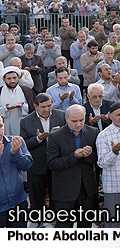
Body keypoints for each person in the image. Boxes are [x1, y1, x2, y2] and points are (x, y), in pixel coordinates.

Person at [46, 104, 99, 228]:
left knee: (85, 227)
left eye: (81, 120)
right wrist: (73, 156)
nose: (79, 124)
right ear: (66, 119)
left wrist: (89, 155)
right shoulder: (55, 136)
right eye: (74, 121)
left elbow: (98, 159)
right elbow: (52, 163)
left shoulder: (93, 132)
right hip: (65, 191)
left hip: (87, 190)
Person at [19, 93, 66, 224]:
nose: (46, 109)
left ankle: (56, 220)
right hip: (36, 166)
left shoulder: (61, 116)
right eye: (43, 107)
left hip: (56, 165)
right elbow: (24, 144)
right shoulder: (26, 121)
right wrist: (38, 139)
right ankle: (38, 222)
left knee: (56, 196)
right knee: (36, 198)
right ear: (35, 106)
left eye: (49, 105)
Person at [0, 115, 32, 228]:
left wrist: (16, 153)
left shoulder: (15, 141)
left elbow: (27, 166)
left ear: (4, 126)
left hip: (18, 204)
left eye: (0, 126)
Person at [0, 66, 34, 136]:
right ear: (4, 79)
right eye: (9, 78)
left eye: (14, 78)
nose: (12, 81)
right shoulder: (0, 91)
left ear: (18, 78)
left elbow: (33, 108)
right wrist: (5, 108)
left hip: (22, 125)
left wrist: (22, 107)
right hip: (5, 127)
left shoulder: (27, 91)